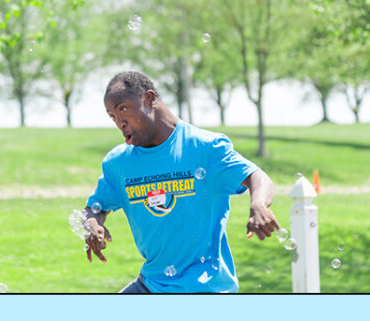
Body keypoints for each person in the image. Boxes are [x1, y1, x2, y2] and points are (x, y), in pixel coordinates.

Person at [83, 71, 279, 293]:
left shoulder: (205, 147)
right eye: (112, 116)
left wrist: (258, 205)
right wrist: (92, 225)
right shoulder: (118, 163)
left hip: (206, 287)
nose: (119, 122)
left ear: (149, 99)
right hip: (151, 284)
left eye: (123, 109)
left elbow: (258, 177)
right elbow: (93, 209)